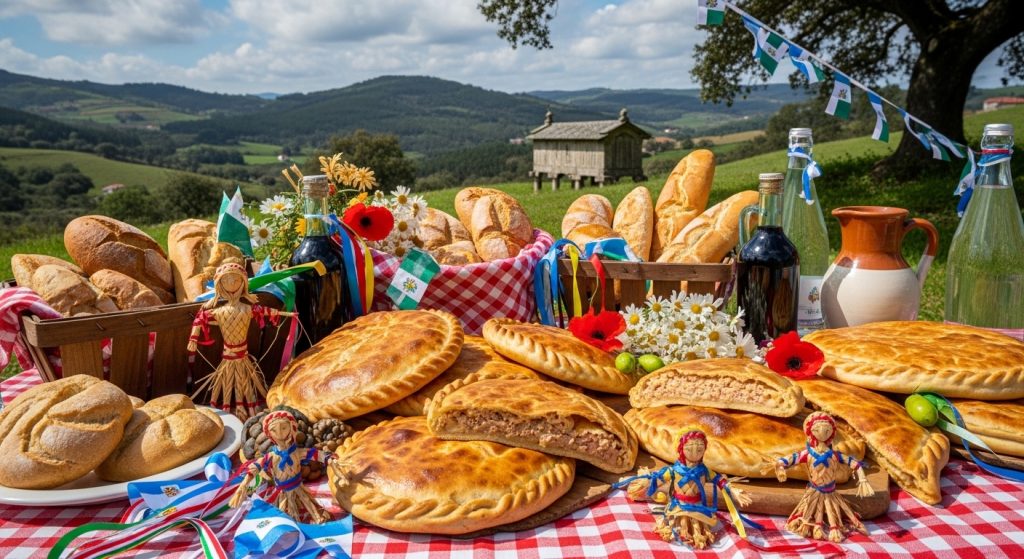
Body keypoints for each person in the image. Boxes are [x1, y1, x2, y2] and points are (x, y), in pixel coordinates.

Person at [188, 262, 293, 420]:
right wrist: (193, 339)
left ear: (243, 282)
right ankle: (226, 409)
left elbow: (265, 312)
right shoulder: (220, 311)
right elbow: (200, 319)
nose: (231, 283)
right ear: (219, 284)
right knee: (232, 383)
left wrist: (286, 314)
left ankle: (242, 409)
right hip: (230, 357)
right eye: (227, 280)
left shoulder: (247, 309)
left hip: (242, 355)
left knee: (247, 382)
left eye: (236, 280)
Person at [625, 429, 751, 549]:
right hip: (678, 506)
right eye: (689, 449)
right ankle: (677, 528)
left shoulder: (704, 471)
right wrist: (647, 482)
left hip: (698, 506)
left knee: (700, 524)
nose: (695, 453)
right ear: (681, 449)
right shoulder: (674, 470)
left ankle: (698, 533)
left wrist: (734, 490)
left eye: (700, 449)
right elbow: (658, 478)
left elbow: (720, 480)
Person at [774, 411, 873, 542]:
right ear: (810, 431)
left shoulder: (835, 455)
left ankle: (830, 527)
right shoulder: (807, 454)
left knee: (831, 508)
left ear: (832, 432)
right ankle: (820, 527)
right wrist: (780, 467)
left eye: (827, 429)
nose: (822, 432)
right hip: (814, 492)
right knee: (818, 509)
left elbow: (854, 463)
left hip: (830, 492)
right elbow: (788, 460)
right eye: (817, 429)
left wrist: (862, 479)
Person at [230, 410, 335, 524]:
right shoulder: (271, 456)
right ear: (269, 434)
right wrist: (243, 485)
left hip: (299, 487)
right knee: (282, 515)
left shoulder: (296, 452)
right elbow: (256, 467)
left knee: (310, 507)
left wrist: (328, 459)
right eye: (274, 430)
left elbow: (314, 454)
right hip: (282, 492)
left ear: (292, 428)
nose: (279, 433)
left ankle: (315, 517)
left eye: (284, 428)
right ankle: (287, 522)